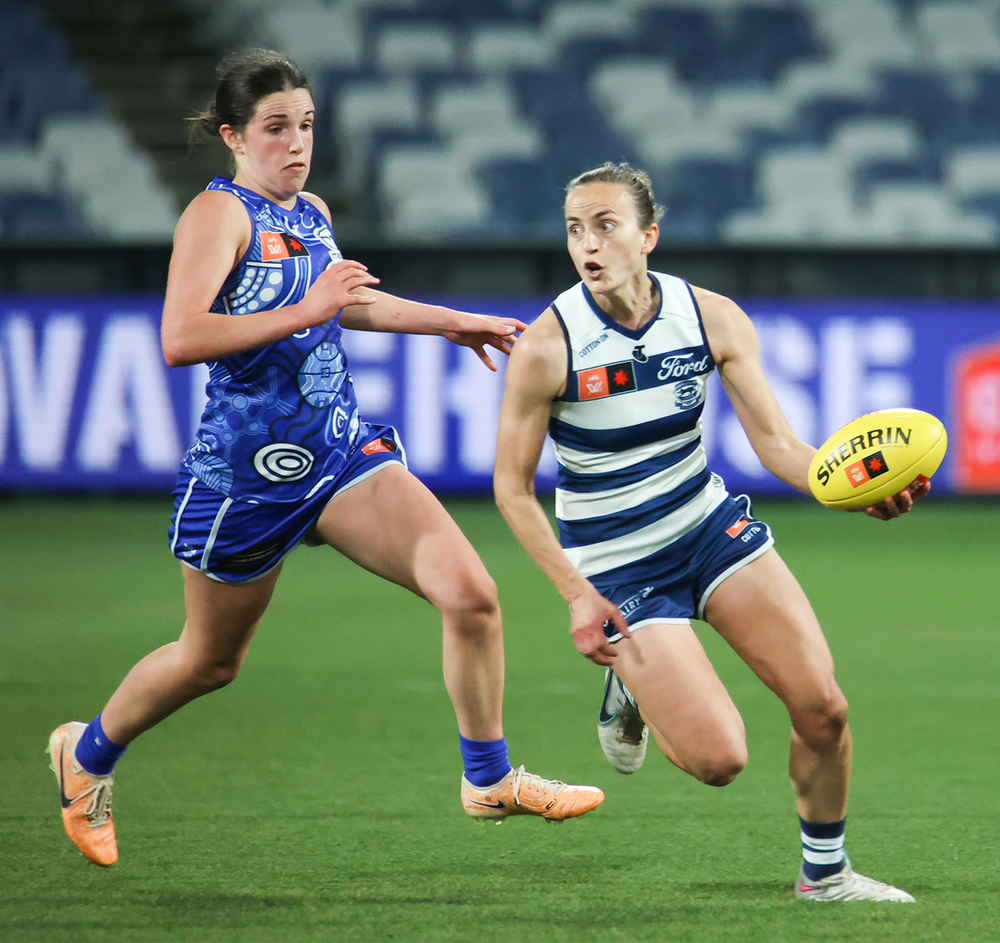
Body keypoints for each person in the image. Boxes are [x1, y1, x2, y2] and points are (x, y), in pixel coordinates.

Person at [47, 49, 604, 868]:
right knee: (210, 661)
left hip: (339, 455)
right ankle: (86, 754)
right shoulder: (217, 217)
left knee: (471, 595)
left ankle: (487, 778)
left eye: (306, 124)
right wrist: (306, 306)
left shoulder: (309, 209)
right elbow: (181, 336)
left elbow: (347, 304)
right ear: (234, 136)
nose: (297, 143)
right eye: (276, 128)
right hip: (245, 479)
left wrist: (450, 320)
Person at [493, 161, 928, 902]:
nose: (587, 244)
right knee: (719, 759)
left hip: (708, 530)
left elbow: (780, 446)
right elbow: (511, 489)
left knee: (824, 706)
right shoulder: (547, 347)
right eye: (574, 229)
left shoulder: (711, 317)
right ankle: (628, 675)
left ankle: (825, 875)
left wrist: (851, 488)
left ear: (648, 236)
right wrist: (577, 595)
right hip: (620, 570)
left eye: (605, 225)